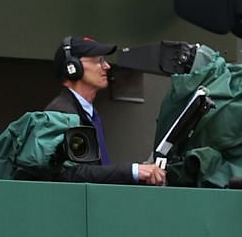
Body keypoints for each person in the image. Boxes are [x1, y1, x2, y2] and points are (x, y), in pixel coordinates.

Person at [45, 38, 167, 184]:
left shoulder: (88, 112)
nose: (107, 66)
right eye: (99, 60)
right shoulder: (63, 112)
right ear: (73, 67)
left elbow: (92, 172)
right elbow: (72, 174)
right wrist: (133, 171)